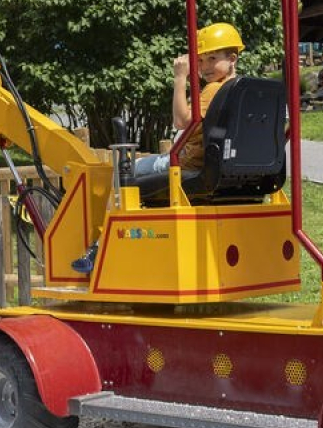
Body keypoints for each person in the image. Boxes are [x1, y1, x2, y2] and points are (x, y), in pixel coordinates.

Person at [72, 22, 244, 273]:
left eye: (212, 59)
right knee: (149, 167)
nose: (205, 67)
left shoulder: (215, 89)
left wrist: (179, 78)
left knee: (121, 176)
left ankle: (99, 247)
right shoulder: (240, 90)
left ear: (232, 59)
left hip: (189, 165)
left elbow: (182, 121)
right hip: (222, 167)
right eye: (201, 61)